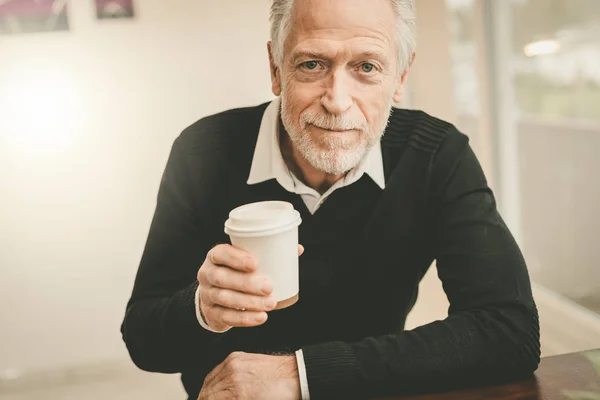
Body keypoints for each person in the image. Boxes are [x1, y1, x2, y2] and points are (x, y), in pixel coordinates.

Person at [121, 0, 541, 399]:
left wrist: (302, 376)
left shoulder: (434, 155)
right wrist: (201, 308)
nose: (337, 102)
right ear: (275, 67)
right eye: (311, 64)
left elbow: (509, 332)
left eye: (367, 67)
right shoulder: (205, 151)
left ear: (400, 77)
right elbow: (143, 341)